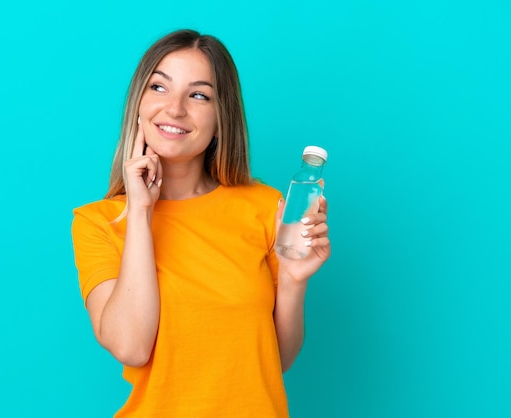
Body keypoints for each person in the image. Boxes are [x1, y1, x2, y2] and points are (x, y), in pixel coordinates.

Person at [71, 29, 330, 417]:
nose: (174, 109)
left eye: (198, 95)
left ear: (221, 116)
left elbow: (274, 360)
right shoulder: (100, 222)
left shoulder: (265, 207)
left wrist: (294, 281)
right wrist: (140, 211)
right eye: (159, 87)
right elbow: (131, 346)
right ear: (138, 103)